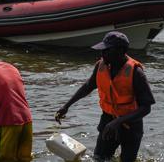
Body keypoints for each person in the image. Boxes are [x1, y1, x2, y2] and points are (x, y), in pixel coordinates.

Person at [54, 32, 155, 162]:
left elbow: (146, 108)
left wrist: (118, 122)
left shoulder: (136, 73)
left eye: (107, 50)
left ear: (121, 51)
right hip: (108, 121)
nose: (103, 53)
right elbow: (88, 86)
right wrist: (66, 106)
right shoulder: (101, 66)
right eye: (103, 50)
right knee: (99, 158)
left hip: (131, 126)